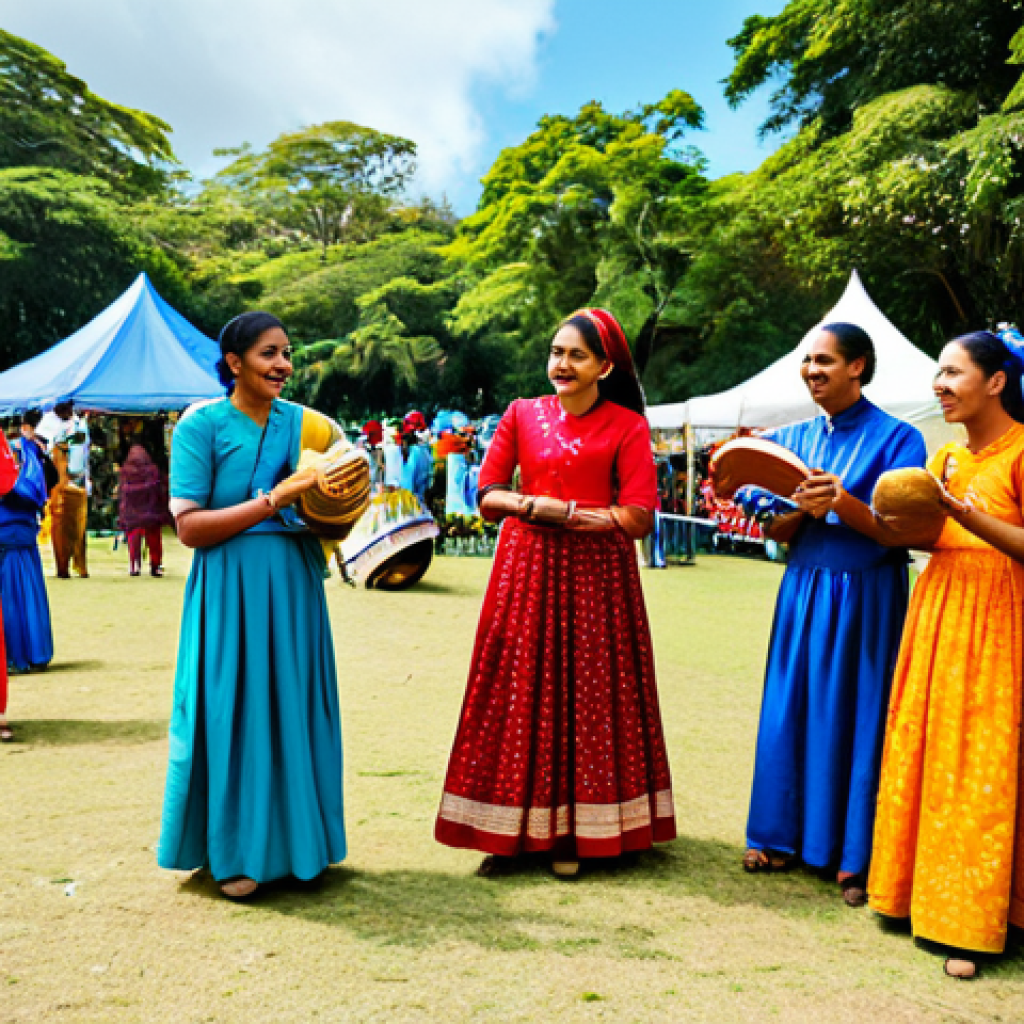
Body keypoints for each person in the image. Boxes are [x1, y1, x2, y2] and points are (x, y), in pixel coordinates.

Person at [435, 307, 676, 877]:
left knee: (588, 697)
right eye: (555, 352)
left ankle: (577, 834)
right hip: (526, 572)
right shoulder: (521, 415)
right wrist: (529, 506)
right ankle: (506, 832)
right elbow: (487, 493)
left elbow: (640, 516)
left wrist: (573, 516)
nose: (561, 364)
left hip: (598, 578)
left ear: (604, 366)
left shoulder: (625, 425)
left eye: (576, 355)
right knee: (516, 694)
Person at [157, 312, 352, 899]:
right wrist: (275, 498)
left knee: (292, 708)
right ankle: (236, 852)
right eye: (269, 354)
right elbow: (190, 528)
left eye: (287, 353)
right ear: (234, 362)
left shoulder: (309, 426)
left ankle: (302, 848)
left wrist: (338, 493)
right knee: (232, 713)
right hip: (229, 587)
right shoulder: (201, 426)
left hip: (294, 582)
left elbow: (343, 494)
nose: (283, 366)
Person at [740, 323, 926, 907]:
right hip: (803, 588)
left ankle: (855, 857)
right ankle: (774, 837)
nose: (812, 370)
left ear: (858, 367)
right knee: (787, 709)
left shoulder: (900, 439)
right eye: (806, 361)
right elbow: (774, 529)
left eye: (824, 361)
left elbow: (903, 532)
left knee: (859, 716)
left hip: (869, 594)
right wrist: (795, 512)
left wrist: (842, 502)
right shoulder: (788, 437)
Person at [868, 330, 1024, 979]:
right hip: (938, 614)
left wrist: (959, 510)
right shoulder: (944, 458)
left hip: (1002, 621)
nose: (939, 384)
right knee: (929, 757)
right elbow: (923, 535)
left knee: (984, 769)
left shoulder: (1019, 453)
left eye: (953, 372)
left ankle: (977, 919)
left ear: (995, 380)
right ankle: (915, 898)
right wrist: (886, 512)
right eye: (937, 372)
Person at [0, 415, 54, 673]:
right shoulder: (30, 449)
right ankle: (36, 651)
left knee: (10, 594)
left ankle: (14, 655)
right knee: (29, 589)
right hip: (24, 527)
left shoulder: (10, 451)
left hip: (6, 528)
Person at [38, 401, 90, 579]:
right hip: (58, 485)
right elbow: (44, 451)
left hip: (78, 481)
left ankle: (80, 565)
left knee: (79, 526)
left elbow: (84, 452)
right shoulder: (47, 424)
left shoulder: (78, 422)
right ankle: (62, 567)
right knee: (60, 526)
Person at [118, 443, 165, 577]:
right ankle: (155, 565)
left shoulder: (125, 471)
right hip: (151, 513)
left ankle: (134, 565)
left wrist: (123, 513)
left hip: (132, 514)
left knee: (133, 538)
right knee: (154, 539)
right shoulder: (153, 470)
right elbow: (159, 491)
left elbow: (123, 493)